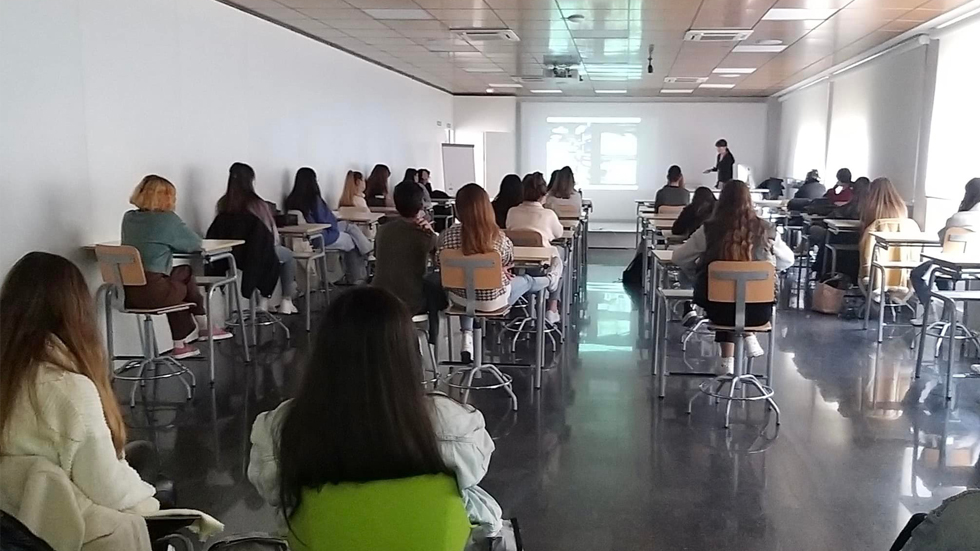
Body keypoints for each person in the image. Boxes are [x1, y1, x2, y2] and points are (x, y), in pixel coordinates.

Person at [247, 287, 503, 539]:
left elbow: (272, 492)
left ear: (323, 352)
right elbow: (474, 473)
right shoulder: (452, 423)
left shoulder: (280, 428)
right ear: (407, 352)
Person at [0, 252, 159, 515]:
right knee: (148, 466)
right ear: (77, 311)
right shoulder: (69, 389)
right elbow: (108, 492)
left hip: (13, 522)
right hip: (68, 525)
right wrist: (152, 498)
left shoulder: (12, 373)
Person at [673, 181, 794, 374]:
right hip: (759, 311)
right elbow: (788, 260)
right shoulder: (767, 229)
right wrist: (768, 269)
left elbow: (678, 257)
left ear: (721, 201)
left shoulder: (709, 229)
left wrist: (696, 272)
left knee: (725, 291)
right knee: (743, 290)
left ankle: (726, 361)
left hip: (717, 309)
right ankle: (748, 335)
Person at [121, 175, 231, 359]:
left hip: (128, 294)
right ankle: (203, 327)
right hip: (154, 294)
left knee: (176, 281)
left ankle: (183, 343)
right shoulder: (167, 220)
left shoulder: (129, 218)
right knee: (185, 275)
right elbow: (195, 243)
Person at [437, 184, 550, 361]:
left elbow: (440, 263)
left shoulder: (445, 237)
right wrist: (498, 268)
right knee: (526, 280)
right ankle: (550, 280)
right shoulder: (498, 237)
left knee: (467, 285)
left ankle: (467, 337)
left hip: (458, 300)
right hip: (493, 302)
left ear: (457, 209)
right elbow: (509, 262)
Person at [217, 162, 298, 314]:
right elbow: (268, 234)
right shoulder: (258, 204)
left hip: (232, 257)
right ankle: (280, 300)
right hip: (258, 254)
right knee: (287, 255)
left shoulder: (223, 204)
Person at [373, 181, 446, 341]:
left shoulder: (383, 230)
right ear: (421, 205)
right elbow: (440, 263)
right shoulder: (426, 235)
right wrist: (432, 233)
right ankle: (433, 337)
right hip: (411, 301)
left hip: (379, 297)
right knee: (435, 286)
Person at [284, 167, 372, 285]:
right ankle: (357, 275)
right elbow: (326, 221)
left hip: (307, 237)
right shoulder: (314, 199)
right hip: (321, 236)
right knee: (351, 240)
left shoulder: (291, 200)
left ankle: (366, 254)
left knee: (348, 226)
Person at [910, 178, 980, 323]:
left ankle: (930, 312)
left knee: (918, 273)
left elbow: (943, 240)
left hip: (952, 265)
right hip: (976, 270)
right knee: (944, 271)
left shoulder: (959, 218)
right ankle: (948, 318)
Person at [505, 172, 564, 325]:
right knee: (561, 253)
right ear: (543, 194)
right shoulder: (548, 214)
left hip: (514, 266)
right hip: (540, 267)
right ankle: (552, 308)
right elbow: (559, 233)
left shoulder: (512, 211)